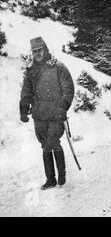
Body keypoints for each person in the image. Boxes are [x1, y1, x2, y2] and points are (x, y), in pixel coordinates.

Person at [19, 37, 75, 190]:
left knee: (54, 142)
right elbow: (26, 92)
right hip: (39, 115)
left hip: (56, 114)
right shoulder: (31, 71)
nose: (37, 53)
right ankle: (50, 179)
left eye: (40, 50)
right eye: (35, 51)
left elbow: (68, 89)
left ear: (45, 49)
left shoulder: (58, 67)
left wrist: (63, 108)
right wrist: (23, 110)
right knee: (45, 145)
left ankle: (61, 175)